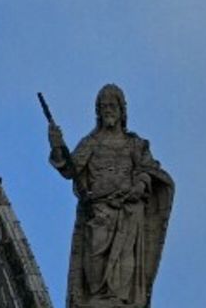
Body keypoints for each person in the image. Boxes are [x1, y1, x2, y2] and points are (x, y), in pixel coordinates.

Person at [49, 84, 172, 308]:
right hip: (100, 212)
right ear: (98, 111)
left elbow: (150, 170)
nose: (108, 110)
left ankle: (119, 299)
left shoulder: (134, 144)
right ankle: (96, 297)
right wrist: (57, 147)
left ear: (121, 109)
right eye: (103, 106)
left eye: (112, 106)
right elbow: (70, 169)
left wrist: (140, 184)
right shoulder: (91, 143)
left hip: (129, 211)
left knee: (125, 264)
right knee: (94, 259)